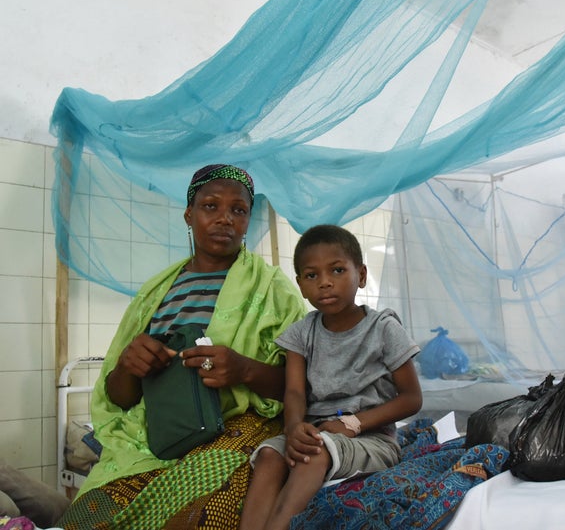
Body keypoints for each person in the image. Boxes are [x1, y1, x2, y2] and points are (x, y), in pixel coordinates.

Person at [56, 164, 307, 530]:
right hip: (152, 434)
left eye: (238, 210)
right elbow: (118, 398)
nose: (225, 219)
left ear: (248, 220)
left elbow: (305, 384)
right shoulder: (155, 294)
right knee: (84, 519)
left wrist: (244, 370)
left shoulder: (273, 290)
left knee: (203, 513)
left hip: (238, 427)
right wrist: (129, 366)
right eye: (211, 206)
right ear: (189, 215)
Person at [239, 224, 423, 530]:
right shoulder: (300, 334)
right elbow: (295, 392)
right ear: (300, 284)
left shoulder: (384, 329)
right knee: (270, 456)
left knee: (315, 452)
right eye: (312, 275)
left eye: (337, 271)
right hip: (315, 430)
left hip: (371, 436)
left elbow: (412, 399)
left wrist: (351, 424)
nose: (325, 283)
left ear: (361, 275)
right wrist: (294, 426)